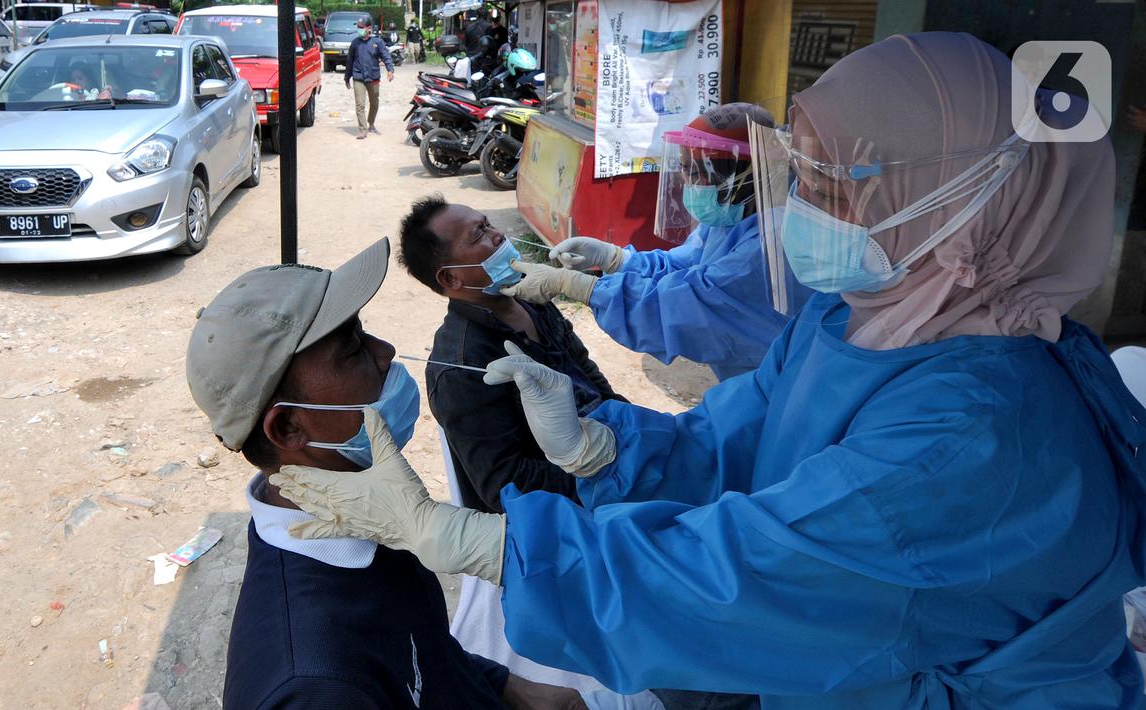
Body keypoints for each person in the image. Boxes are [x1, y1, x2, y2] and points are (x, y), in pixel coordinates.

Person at [268, 33, 1146, 708]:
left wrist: (477, 544)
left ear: (970, 205)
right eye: (797, 174)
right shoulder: (861, 320)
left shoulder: (973, 435)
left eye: (836, 184)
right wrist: (607, 448)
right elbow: (736, 439)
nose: (799, 207)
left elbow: (735, 577)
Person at [185, 239, 586, 709]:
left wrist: (508, 688)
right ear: (289, 426)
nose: (386, 350)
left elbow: (426, 658)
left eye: (364, 331)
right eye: (352, 349)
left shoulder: (369, 519)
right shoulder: (315, 684)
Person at [398, 198, 666, 710]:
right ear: (453, 279)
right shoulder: (459, 365)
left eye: (489, 224)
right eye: (478, 236)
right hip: (576, 523)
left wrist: (641, 441)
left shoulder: (531, 299)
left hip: (621, 473)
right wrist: (601, 478)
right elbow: (504, 484)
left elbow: (591, 379)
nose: (498, 236)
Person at [502, 103, 804, 380]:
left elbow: (682, 306)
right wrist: (618, 259)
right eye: (683, 168)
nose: (686, 180)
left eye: (696, 171)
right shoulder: (731, 218)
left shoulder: (768, 246)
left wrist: (581, 288)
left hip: (779, 381)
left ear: (744, 176)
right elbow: (683, 265)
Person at [344, 18, 394, 140]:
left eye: (362, 27)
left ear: (369, 28)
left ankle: (371, 123)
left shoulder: (377, 42)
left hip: (373, 77)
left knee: (374, 103)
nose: (359, 29)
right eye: (358, 27)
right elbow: (349, 61)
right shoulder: (355, 43)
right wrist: (347, 77)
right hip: (358, 77)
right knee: (360, 105)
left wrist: (390, 70)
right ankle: (362, 129)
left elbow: (386, 56)